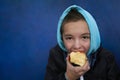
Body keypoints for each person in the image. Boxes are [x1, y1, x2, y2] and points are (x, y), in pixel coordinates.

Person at [44, 5, 120, 80]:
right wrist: (68, 77)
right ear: (62, 39)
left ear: (93, 38)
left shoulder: (106, 58)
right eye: (69, 38)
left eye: (84, 37)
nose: (77, 46)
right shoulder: (56, 56)